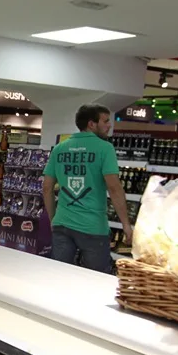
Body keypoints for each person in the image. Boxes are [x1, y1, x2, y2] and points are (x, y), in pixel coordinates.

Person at [42, 104, 132, 274]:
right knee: (96, 280)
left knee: (58, 276)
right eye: (105, 121)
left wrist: (54, 219)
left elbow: (47, 188)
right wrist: (126, 225)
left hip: (63, 224)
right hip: (93, 228)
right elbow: (114, 188)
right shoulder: (105, 148)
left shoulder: (60, 148)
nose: (109, 125)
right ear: (92, 124)